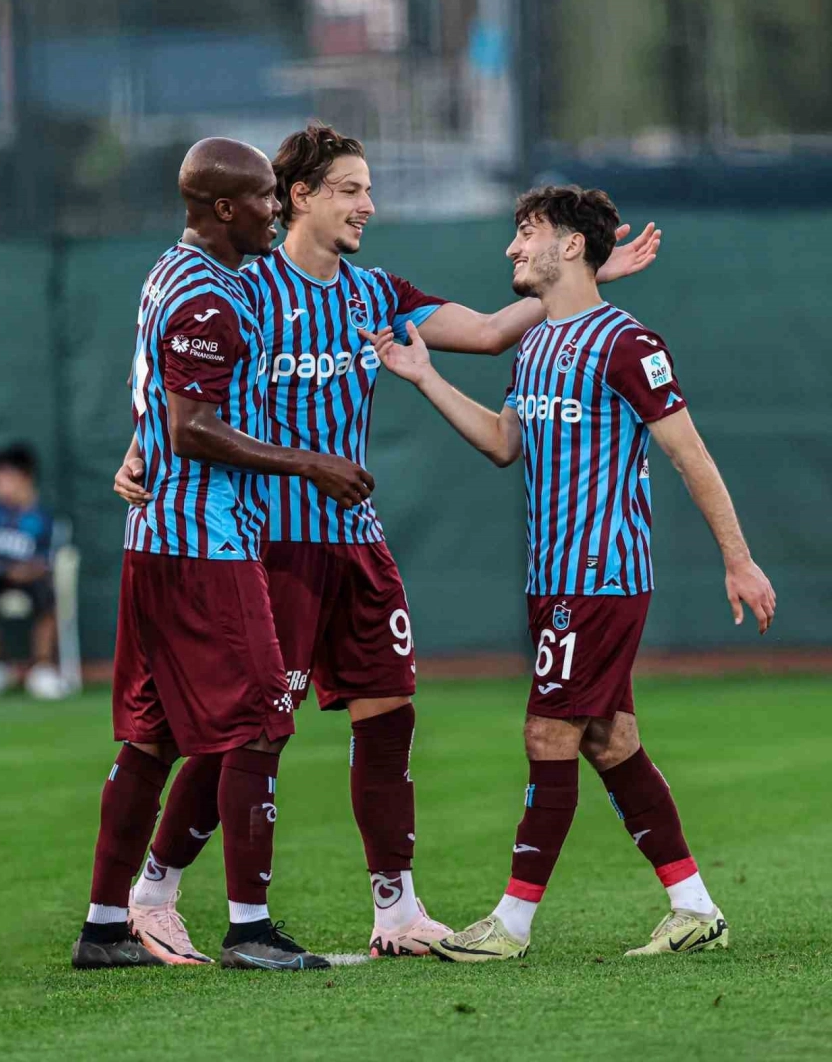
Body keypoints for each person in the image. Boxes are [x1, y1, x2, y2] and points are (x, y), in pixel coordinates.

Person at [114, 124, 661, 962]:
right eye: (350, 189)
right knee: (250, 732)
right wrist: (140, 446)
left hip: (356, 543)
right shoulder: (244, 286)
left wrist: (585, 279)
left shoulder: (375, 293)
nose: (368, 204)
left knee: (390, 713)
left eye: (369, 189)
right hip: (269, 544)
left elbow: (488, 331)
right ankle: (155, 890)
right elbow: (181, 385)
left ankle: (396, 909)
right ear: (298, 197)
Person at [366, 184, 775, 962]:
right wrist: (424, 376)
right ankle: (694, 907)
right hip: (552, 579)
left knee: (547, 731)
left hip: (601, 577)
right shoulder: (535, 344)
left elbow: (689, 453)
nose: (513, 248)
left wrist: (738, 557)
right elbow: (503, 441)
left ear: (571, 245)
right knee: (610, 740)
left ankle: (511, 924)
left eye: (528, 232)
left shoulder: (628, 343)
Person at [72, 137, 373, 971]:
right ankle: (250, 930)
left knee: (154, 739)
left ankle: (104, 928)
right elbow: (192, 427)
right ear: (226, 208)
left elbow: (161, 406)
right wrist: (312, 464)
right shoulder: (208, 297)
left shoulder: (176, 272)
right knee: (262, 722)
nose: (278, 209)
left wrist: (139, 452)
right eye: (267, 197)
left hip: (157, 541)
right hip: (202, 543)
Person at [0, 444, 65, 701]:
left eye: (6, 479)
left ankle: (42, 668)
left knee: (47, 595)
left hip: (32, 579)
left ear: (25, 479)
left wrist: (26, 570)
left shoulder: (42, 519)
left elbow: (49, 560)